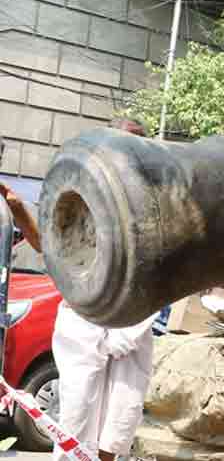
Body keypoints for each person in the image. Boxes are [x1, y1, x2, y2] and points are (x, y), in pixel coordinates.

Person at [51, 118, 159, 461]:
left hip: (134, 317)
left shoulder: (156, 198)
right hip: (82, 318)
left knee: (118, 424)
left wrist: (133, 325)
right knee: (75, 415)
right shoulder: (81, 186)